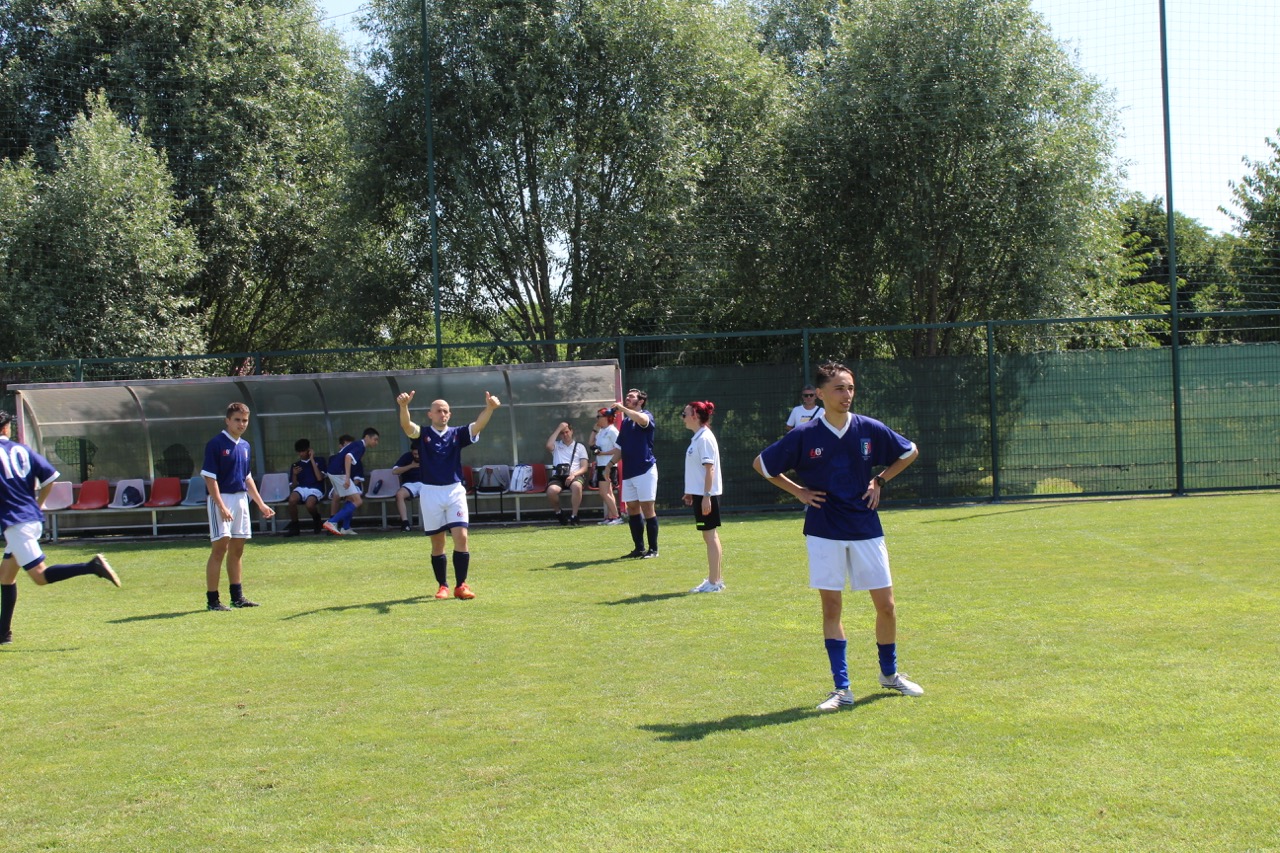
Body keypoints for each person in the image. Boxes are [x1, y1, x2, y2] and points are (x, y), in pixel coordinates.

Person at [753, 361, 923, 710]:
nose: (847, 394)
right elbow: (762, 465)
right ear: (819, 394)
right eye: (839, 388)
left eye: (850, 388)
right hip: (824, 530)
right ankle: (842, 689)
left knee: (887, 606)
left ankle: (889, 674)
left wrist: (880, 480)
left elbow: (909, 451)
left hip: (865, 527)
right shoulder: (805, 434)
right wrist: (799, 491)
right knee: (832, 607)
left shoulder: (868, 428)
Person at [0, 411, 120, 644]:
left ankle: (92, 566)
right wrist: (37, 505)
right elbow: (50, 477)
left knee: (40, 576)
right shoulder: (22, 450)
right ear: (6, 428)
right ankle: (3, 634)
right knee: (6, 575)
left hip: (17, 524)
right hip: (30, 519)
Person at [396, 389, 501, 600]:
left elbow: (478, 425)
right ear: (430, 414)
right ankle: (442, 586)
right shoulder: (423, 433)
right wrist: (404, 406)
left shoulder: (457, 433)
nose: (442, 414)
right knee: (438, 542)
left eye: (445, 411)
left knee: (461, 537)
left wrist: (489, 408)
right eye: (438, 411)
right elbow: (407, 426)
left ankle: (461, 585)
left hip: (454, 490)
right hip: (430, 492)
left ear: (449, 415)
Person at [202, 402, 275, 611]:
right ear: (227, 420)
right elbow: (210, 478)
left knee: (238, 549)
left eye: (245, 420)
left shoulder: (245, 446)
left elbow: (247, 477)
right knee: (219, 549)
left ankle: (238, 597)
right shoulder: (216, 444)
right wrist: (221, 506)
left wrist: (261, 504)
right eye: (237, 420)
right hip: (222, 499)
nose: (241, 424)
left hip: (241, 499)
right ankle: (213, 600)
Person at [682, 401, 725, 593]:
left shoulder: (705, 438)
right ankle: (714, 579)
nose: (683, 418)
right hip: (700, 495)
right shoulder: (698, 438)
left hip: (707, 496)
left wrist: (707, 496)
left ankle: (714, 583)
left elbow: (710, 469)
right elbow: (697, 470)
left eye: (684, 414)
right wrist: (690, 491)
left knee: (710, 535)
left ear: (695, 416)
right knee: (708, 535)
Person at [614, 388, 659, 558]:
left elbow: (643, 420)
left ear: (640, 401)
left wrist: (623, 409)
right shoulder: (625, 422)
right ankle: (639, 548)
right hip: (629, 471)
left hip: (645, 469)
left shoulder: (646, 415)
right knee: (632, 507)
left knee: (647, 508)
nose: (627, 398)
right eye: (627, 396)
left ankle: (653, 549)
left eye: (631, 396)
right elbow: (619, 448)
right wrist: (609, 465)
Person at [322, 428, 380, 536]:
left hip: (334, 471)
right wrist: (347, 478)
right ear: (367, 437)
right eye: (375, 439)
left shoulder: (359, 445)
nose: (376, 442)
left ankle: (346, 527)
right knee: (358, 501)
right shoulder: (360, 446)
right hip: (339, 473)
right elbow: (348, 457)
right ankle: (332, 521)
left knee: (351, 499)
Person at [545, 422, 589, 525]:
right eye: (562, 433)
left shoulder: (580, 447)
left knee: (577, 486)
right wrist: (559, 428)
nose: (565, 435)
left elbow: (584, 467)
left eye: (567, 432)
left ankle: (574, 516)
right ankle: (559, 513)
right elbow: (548, 446)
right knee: (551, 491)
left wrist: (573, 475)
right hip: (558, 476)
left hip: (575, 475)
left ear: (571, 431)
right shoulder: (556, 445)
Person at [284, 438, 327, 536]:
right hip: (301, 488)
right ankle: (295, 526)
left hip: (316, 488)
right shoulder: (296, 465)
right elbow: (294, 485)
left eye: (303, 451)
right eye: (299, 452)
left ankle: (316, 519)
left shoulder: (320, 460)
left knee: (310, 504)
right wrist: (295, 474)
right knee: (292, 500)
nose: (301, 454)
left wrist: (312, 460)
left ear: (309, 450)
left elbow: (319, 478)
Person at [591, 407, 622, 525]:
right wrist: (594, 430)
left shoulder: (612, 431)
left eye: (599, 416)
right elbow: (591, 443)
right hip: (601, 464)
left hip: (608, 465)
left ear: (606, 418)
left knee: (603, 492)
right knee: (608, 491)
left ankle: (617, 516)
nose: (597, 419)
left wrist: (603, 453)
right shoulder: (601, 431)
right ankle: (610, 517)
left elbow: (619, 449)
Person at [392, 446, 424, 532]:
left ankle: (436, 522)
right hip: (410, 484)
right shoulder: (407, 456)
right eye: (414, 454)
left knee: (433, 494)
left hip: (425, 483)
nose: (417, 456)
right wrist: (411, 466)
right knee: (399, 494)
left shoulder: (428, 455)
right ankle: (405, 523)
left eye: (418, 454)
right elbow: (395, 471)